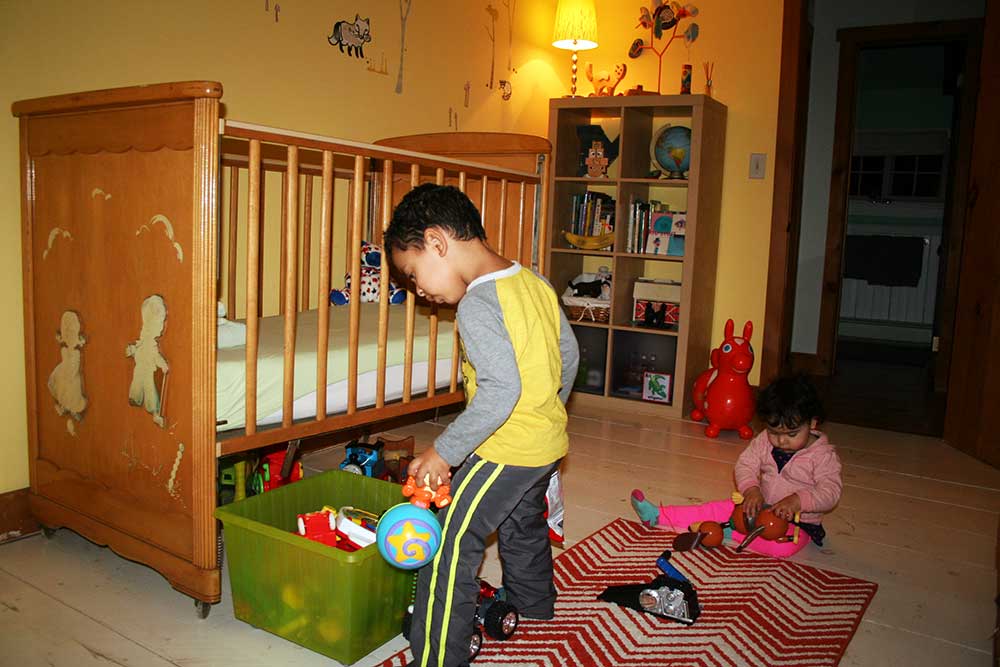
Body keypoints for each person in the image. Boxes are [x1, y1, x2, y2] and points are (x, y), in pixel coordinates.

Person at [384, 183, 579, 667]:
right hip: (544, 444)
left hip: (508, 448)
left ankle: (437, 656)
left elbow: (499, 391)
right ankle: (534, 606)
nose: (419, 289)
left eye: (412, 273)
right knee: (521, 523)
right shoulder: (534, 282)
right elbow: (569, 355)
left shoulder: (477, 303)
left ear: (436, 242)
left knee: (451, 541)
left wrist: (443, 452)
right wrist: (549, 415)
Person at [631, 375, 842, 558]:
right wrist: (751, 489)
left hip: (797, 523)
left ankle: (728, 532)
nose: (781, 441)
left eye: (791, 434)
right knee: (714, 509)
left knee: (781, 548)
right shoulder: (764, 441)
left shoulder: (823, 456)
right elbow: (745, 464)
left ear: (812, 423)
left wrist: (798, 501)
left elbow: (830, 492)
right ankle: (658, 515)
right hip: (757, 506)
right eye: (774, 433)